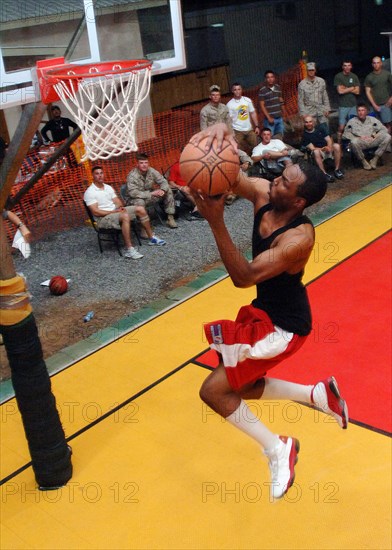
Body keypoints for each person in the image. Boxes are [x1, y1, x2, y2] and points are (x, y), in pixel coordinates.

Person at [188, 122, 348, 501]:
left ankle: (278, 449)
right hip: (264, 313)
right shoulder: (265, 192)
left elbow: (243, 277)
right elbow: (232, 178)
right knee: (242, 385)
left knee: (213, 391)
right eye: (279, 177)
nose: (274, 182)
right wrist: (219, 136)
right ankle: (316, 395)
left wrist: (215, 220)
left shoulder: (298, 239)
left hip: (286, 327)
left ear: (298, 203)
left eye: (284, 184)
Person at [84, 166, 166, 259]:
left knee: (140, 209)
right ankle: (130, 250)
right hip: (103, 219)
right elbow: (96, 212)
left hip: (115, 213)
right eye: (97, 174)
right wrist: (114, 211)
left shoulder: (108, 188)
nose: (100, 175)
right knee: (125, 215)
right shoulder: (90, 192)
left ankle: (152, 237)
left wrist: (120, 208)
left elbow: (118, 202)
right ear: (93, 176)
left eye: (101, 173)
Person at [125, 153, 178, 229]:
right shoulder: (132, 176)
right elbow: (133, 193)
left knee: (168, 190)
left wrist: (162, 190)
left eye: (146, 163)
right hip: (134, 200)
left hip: (149, 196)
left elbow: (163, 181)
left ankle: (170, 218)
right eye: (141, 163)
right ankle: (145, 225)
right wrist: (151, 193)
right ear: (137, 164)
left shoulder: (151, 171)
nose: (144, 165)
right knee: (140, 202)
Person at [342, 103, 391, 170]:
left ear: (367, 111)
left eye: (363, 110)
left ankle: (375, 159)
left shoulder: (372, 120)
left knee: (387, 137)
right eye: (359, 110)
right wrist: (358, 137)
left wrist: (373, 136)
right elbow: (345, 134)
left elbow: (384, 129)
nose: (360, 112)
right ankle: (363, 161)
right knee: (353, 142)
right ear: (357, 112)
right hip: (361, 142)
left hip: (372, 140)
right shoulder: (352, 121)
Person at [301, 115, 344, 182]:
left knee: (337, 146)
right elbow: (313, 148)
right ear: (304, 123)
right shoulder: (304, 135)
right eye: (306, 122)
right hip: (318, 152)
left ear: (313, 122)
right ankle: (324, 174)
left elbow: (329, 140)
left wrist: (329, 147)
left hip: (327, 148)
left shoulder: (320, 128)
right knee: (316, 151)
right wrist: (323, 149)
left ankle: (337, 169)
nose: (308, 124)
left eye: (310, 122)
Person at [226, 82, 260, 155]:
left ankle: (256, 162)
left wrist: (257, 126)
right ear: (232, 91)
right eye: (235, 90)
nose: (237, 91)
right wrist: (231, 133)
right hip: (237, 131)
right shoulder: (229, 104)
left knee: (256, 147)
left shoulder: (247, 100)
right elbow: (228, 120)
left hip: (249, 129)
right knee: (236, 149)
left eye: (239, 89)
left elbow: (253, 113)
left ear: (241, 90)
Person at [298, 62, 331, 132]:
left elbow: (324, 95)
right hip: (309, 111)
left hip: (321, 110)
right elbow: (300, 100)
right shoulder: (302, 84)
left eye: (312, 70)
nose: (311, 72)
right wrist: (303, 113)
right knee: (312, 131)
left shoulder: (321, 81)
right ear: (307, 71)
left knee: (326, 130)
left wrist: (327, 108)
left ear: (315, 70)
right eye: (309, 70)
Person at [333, 61, 360, 143]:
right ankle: (339, 144)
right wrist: (352, 88)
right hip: (343, 105)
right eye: (345, 65)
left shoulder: (354, 76)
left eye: (349, 65)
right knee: (341, 127)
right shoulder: (338, 76)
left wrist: (345, 88)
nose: (347, 67)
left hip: (353, 105)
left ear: (351, 66)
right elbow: (340, 91)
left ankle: (353, 144)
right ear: (342, 67)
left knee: (354, 126)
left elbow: (358, 91)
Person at [364, 56, 392, 135]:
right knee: (375, 126)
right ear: (372, 64)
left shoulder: (387, 74)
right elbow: (367, 91)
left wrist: (391, 99)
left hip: (386, 104)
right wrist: (374, 104)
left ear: (381, 63)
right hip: (374, 105)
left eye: (378, 63)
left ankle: (387, 142)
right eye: (374, 63)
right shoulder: (369, 77)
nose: (376, 65)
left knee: (388, 124)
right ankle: (378, 142)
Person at [258, 70, 285, 139]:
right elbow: (262, 105)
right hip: (270, 120)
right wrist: (268, 117)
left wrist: (284, 112)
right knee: (269, 139)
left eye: (272, 77)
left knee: (280, 137)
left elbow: (280, 99)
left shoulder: (278, 87)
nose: (270, 79)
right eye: (268, 77)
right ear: (265, 79)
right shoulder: (262, 90)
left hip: (279, 118)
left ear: (274, 78)